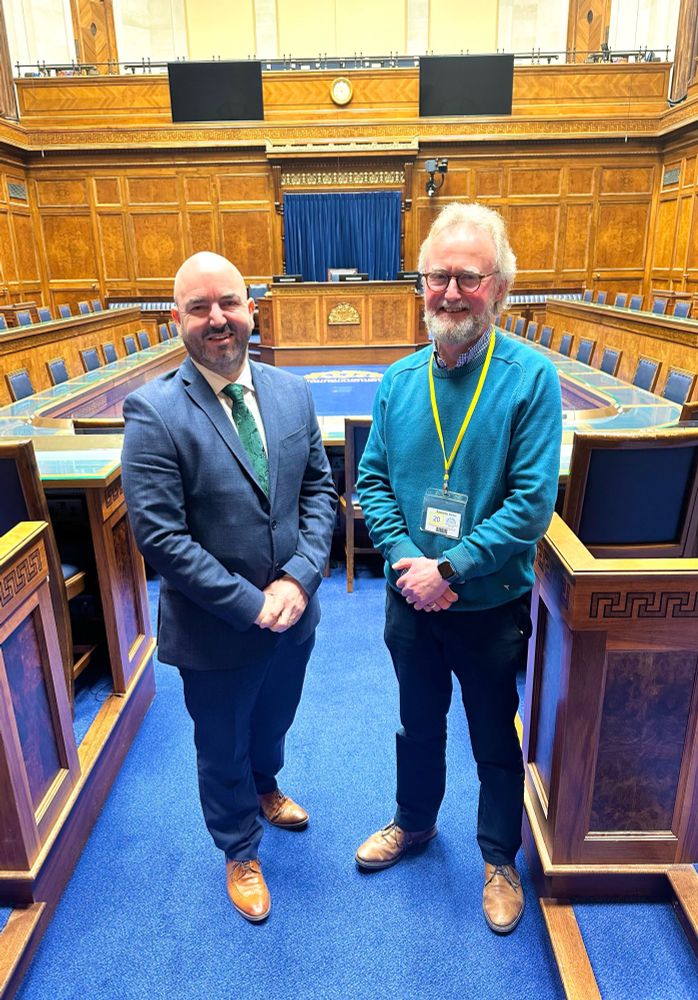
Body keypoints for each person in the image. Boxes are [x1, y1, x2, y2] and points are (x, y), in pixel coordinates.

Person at [353, 202, 562, 934]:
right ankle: (415, 824)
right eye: (437, 277)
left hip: (486, 605)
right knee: (417, 724)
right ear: (421, 286)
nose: (449, 292)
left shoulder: (531, 380)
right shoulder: (399, 379)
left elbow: (532, 504)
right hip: (410, 599)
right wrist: (410, 559)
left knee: (493, 736)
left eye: (466, 278)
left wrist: (453, 568)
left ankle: (499, 856)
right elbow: (371, 482)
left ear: (498, 287)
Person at [121, 251, 336, 923]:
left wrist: (298, 581)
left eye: (229, 304)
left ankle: (267, 785)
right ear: (177, 319)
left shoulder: (292, 393)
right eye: (199, 307)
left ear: (251, 309)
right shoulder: (153, 412)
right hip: (216, 629)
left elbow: (319, 491)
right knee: (220, 744)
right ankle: (239, 847)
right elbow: (162, 540)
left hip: (295, 616)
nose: (218, 319)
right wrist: (253, 605)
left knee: (272, 720)